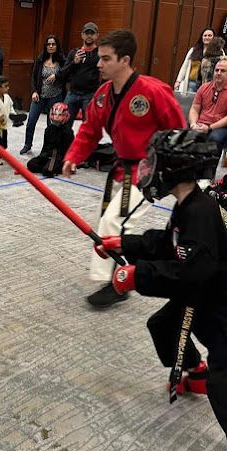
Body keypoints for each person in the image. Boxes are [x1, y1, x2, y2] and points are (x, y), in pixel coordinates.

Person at [99, 128, 227, 451]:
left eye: (155, 163)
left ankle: (210, 376)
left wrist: (138, 276)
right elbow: (170, 244)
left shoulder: (201, 213)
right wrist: (124, 243)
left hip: (220, 303)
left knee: (225, 383)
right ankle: (194, 370)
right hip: (204, 293)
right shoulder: (187, 205)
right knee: (164, 325)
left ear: (175, 169)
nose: (148, 169)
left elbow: (189, 273)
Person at [62, 29, 185, 309]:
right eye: (99, 58)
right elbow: (90, 130)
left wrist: (176, 173)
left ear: (125, 60)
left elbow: (177, 130)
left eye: (106, 59)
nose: (98, 64)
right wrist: (73, 156)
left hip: (147, 172)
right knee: (111, 220)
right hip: (121, 169)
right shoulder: (104, 94)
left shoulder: (153, 91)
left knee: (112, 223)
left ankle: (119, 283)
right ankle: (127, 270)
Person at [20, 34, 65, 155]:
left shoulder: (62, 61)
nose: (51, 46)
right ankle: (27, 145)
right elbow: (34, 77)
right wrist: (34, 91)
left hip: (55, 96)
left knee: (51, 125)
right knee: (31, 121)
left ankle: (48, 149)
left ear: (57, 46)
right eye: (48, 44)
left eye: (53, 44)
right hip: (40, 95)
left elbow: (66, 75)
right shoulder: (40, 60)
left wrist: (57, 76)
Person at [56, 22, 100, 125]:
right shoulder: (74, 52)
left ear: (97, 35)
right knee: (64, 124)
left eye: (92, 33)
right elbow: (62, 73)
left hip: (90, 95)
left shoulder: (100, 53)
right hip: (72, 94)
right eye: (86, 33)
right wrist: (74, 63)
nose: (89, 36)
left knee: (89, 126)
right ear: (82, 35)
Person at [189, 57, 227, 152]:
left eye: (223, 71)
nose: (218, 73)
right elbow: (194, 109)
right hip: (200, 124)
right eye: (216, 70)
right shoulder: (204, 87)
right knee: (183, 137)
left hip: (219, 127)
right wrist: (193, 124)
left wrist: (209, 128)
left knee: (214, 139)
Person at [27, 102, 74, 177]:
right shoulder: (48, 129)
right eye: (55, 114)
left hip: (58, 157)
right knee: (30, 165)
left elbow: (68, 149)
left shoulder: (68, 131)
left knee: (47, 171)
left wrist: (69, 162)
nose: (57, 117)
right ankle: (48, 166)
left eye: (60, 115)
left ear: (65, 116)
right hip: (47, 155)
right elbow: (45, 146)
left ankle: (62, 167)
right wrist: (42, 156)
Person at [174, 28, 215, 94]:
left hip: (208, 85)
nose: (207, 37)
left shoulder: (218, 51)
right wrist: (178, 81)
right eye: (205, 35)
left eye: (210, 35)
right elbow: (184, 66)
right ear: (202, 37)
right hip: (192, 83)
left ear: (214, 38)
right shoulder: (193, 50)